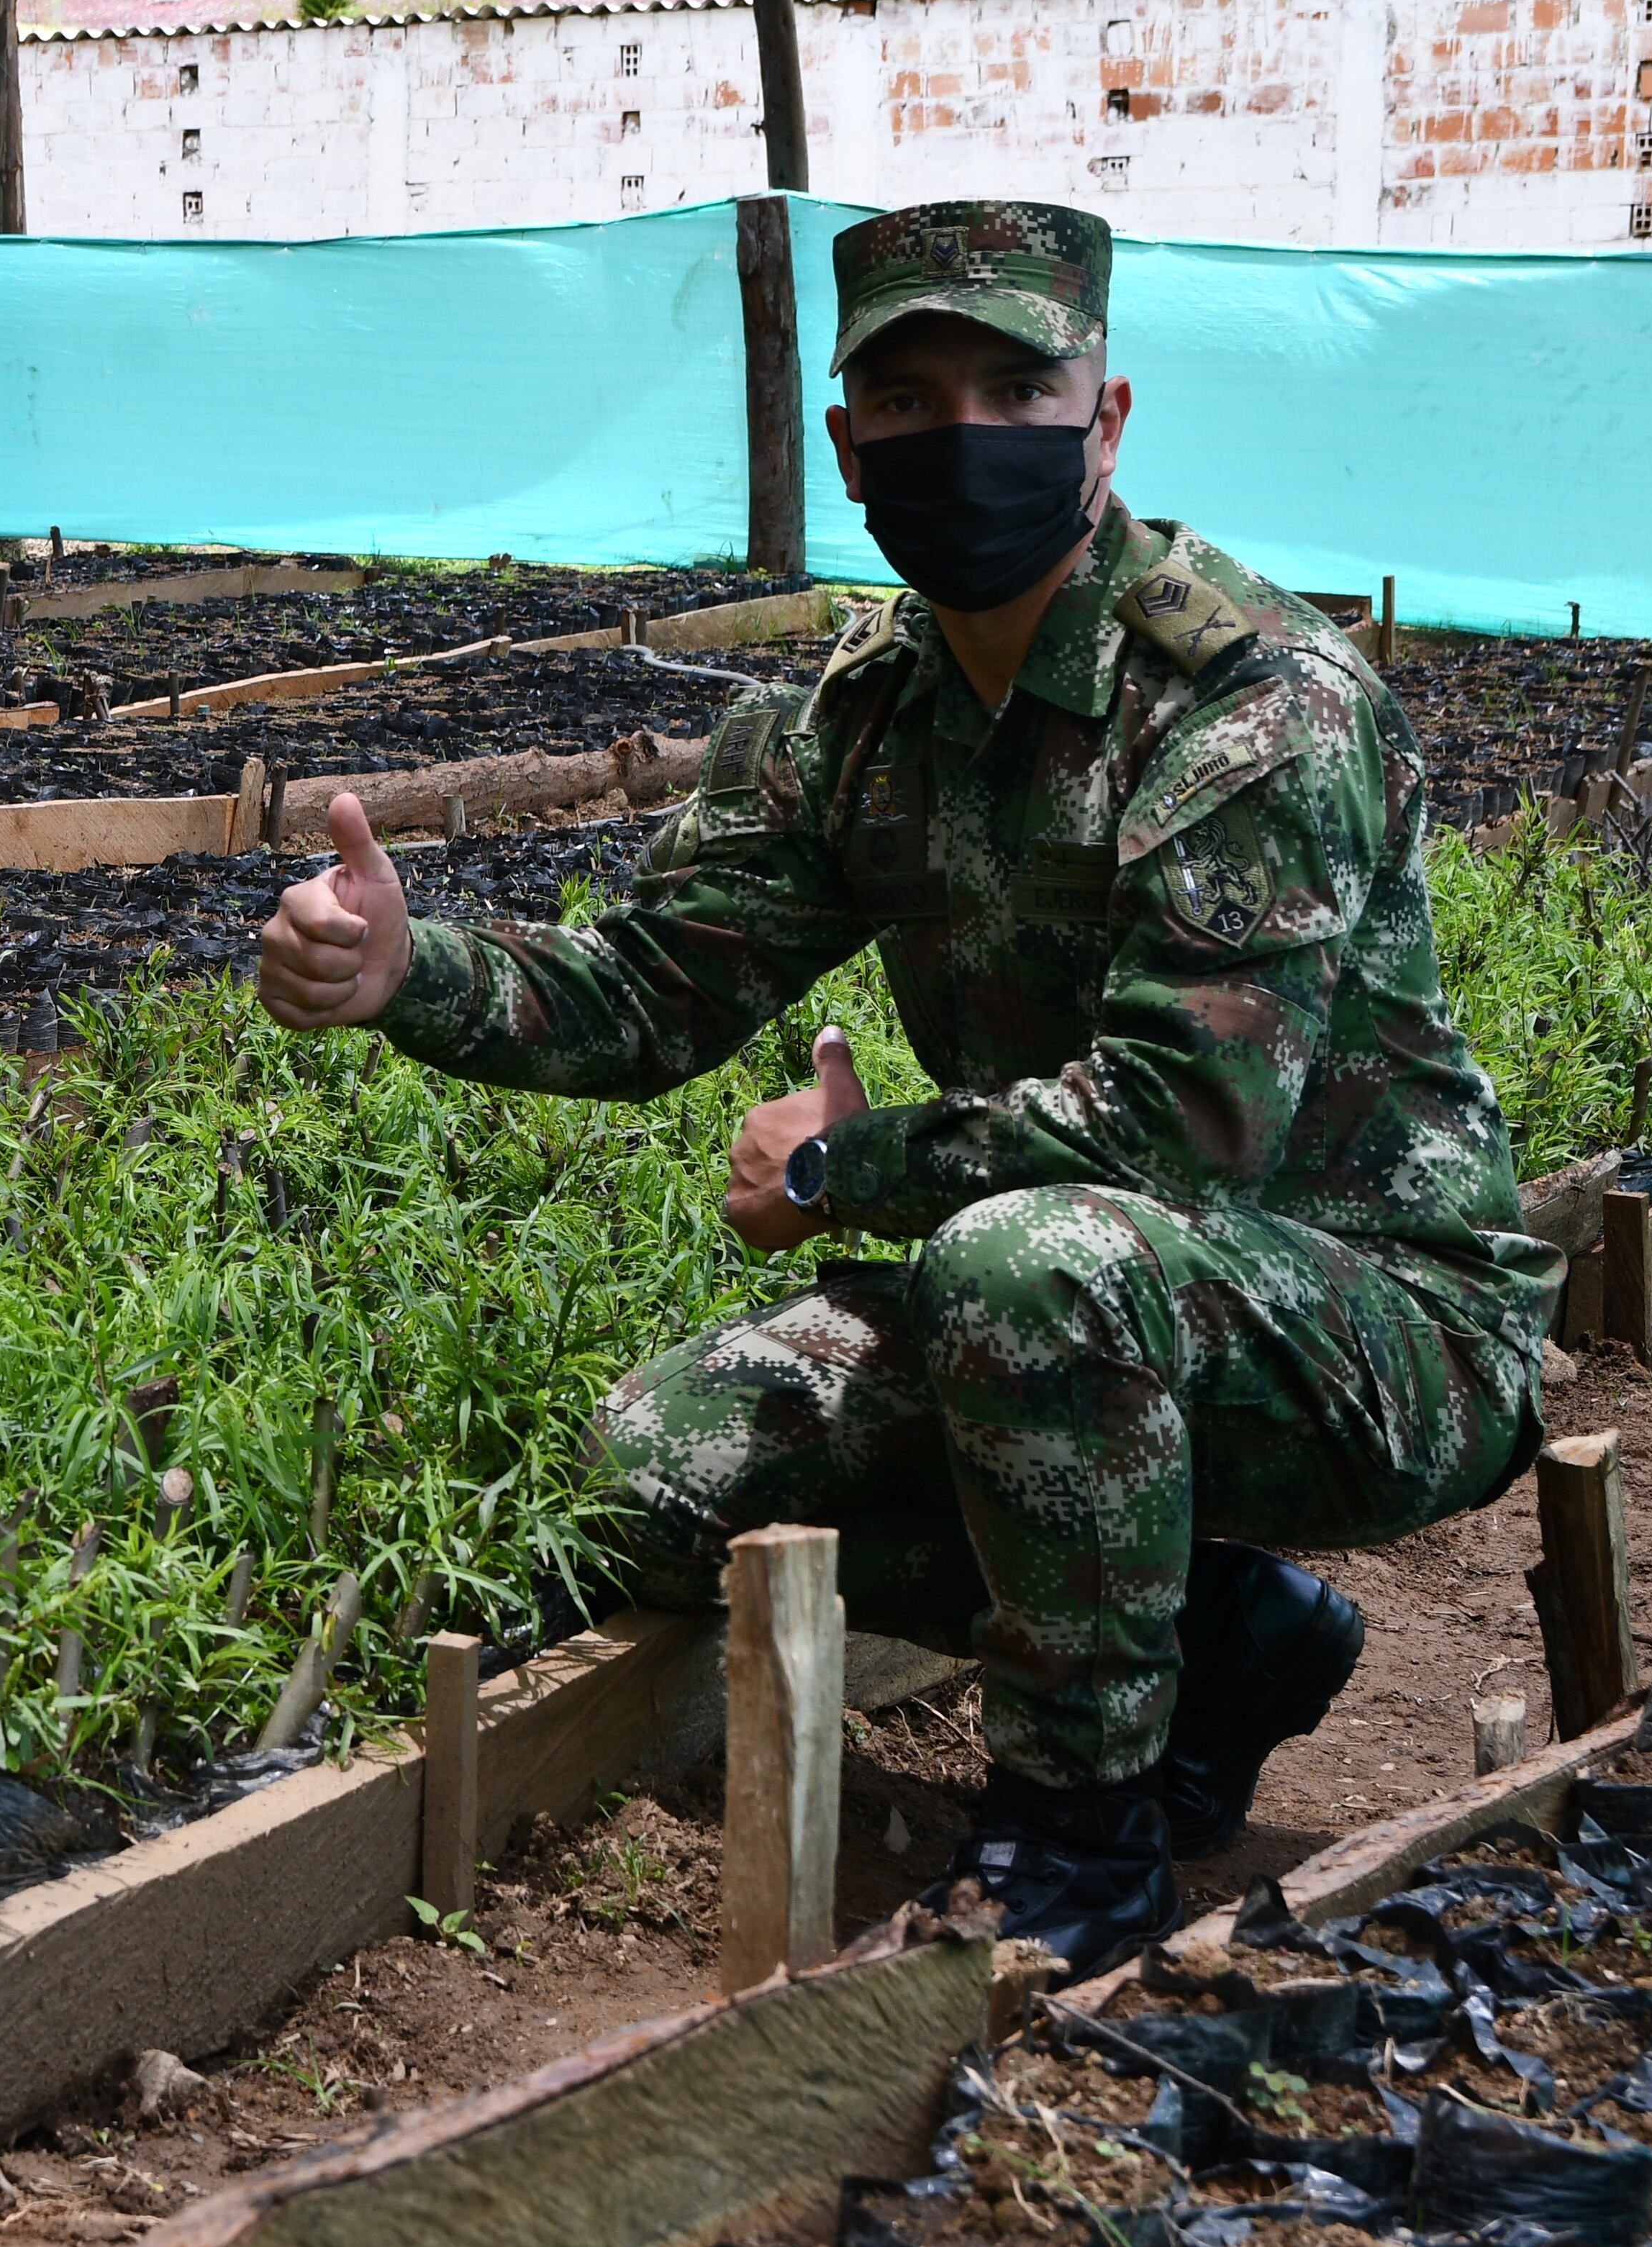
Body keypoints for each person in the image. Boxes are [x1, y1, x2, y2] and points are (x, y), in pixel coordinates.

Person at [253, 200, 1558, 1971]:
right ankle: (1220, 1625)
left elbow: (1185, 1127)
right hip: (1071, 1294)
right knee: (657, 1468)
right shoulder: (852, 722)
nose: (966, 433)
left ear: (1103, 422)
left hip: (1370, 1328)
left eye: (1016, 384)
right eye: (913, 392)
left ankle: (1079, 1827)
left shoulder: (1254, 705)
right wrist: (414, 973)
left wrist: (845, 1163)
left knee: (1022, 1259)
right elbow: (652, 990)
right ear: (847, 444)